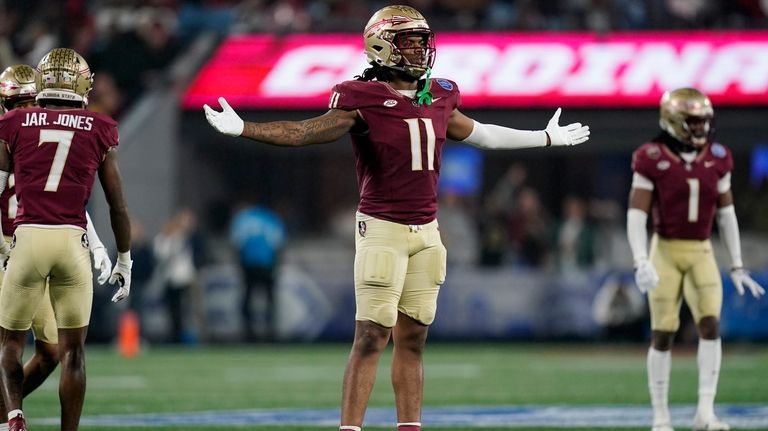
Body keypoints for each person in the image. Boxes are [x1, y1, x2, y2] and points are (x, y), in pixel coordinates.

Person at [204, 5, 590, 430]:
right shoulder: (361, 97)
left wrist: (546, 137)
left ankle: (410, 427)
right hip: (382, 230)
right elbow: (307, 131)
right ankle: (350, 429)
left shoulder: (440, 94)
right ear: (381, 45)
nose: (422, 50)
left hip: (427, 232)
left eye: (424, 41)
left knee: (415, 337)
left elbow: (481, 134)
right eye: (410, 41)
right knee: (371, 336)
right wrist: (246, 129)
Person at [0, 48, 133, 431]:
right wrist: (123, 257)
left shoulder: (16, 124)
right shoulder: (100, 126)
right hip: (73, 243)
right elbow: (117, 205)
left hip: (24, 243)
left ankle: (14, 417)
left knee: (11, 346)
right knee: (72, 352)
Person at [626, 87, 764, 431]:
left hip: (701, 249)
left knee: (710, 325)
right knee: (663, 332)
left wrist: (736, 263)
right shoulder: (651, 155)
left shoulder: (718, 157)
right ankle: (661, 416)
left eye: (705, 120)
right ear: (673, 121)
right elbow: (636, 214)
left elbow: (727, 214)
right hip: (666, 249)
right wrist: (641, 259)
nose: (702, 127)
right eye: (693, 120)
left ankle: (705, 412)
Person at [229, 198, 286, 342]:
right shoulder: (271, 218)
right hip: (267, 264)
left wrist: (239, 263)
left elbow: (236, 242)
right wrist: (276, 263)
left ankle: (248, 333)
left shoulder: (242, 219)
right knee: (269, 299)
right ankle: (270, 333)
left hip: (249, 264)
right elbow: (279, 242)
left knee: (248, 298)